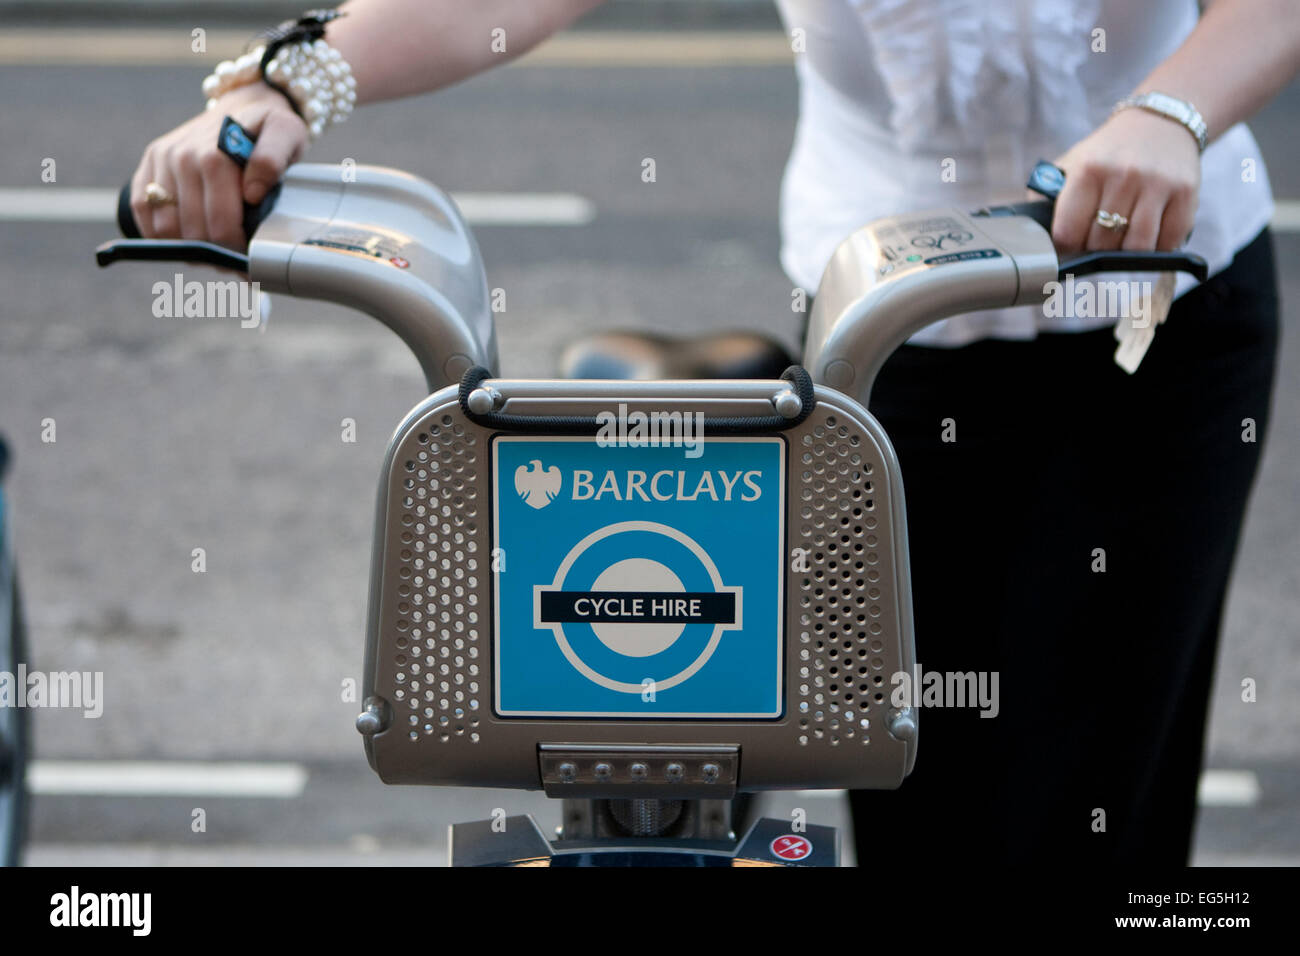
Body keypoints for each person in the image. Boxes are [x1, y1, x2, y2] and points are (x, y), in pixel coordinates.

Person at [131, 0, 1299, 865]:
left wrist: (1168, 110)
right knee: (907, 794)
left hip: (1146, 323)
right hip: (877, 351)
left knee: (1081, 816)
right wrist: (288, 87)